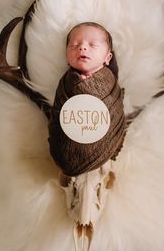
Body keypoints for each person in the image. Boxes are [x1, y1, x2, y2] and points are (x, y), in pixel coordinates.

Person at [48, 22, 126, 176]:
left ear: (108, 57)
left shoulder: (110, 83)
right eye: (74, 45)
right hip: (64, 150)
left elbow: (116, 112)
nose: (82, 47)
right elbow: (57, 112)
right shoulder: (66, 83)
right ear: (66, 57)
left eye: (93, 45)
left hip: (102, 151)